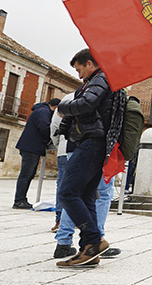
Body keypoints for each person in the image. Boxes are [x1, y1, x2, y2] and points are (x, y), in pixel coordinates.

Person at [55, 48, 119, 267]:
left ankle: (94, 240)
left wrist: (63, 108)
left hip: (92, 142)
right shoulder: (98, 80)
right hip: (96, 143)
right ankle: (89, 251)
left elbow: (86, 104)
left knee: (67, 192)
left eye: (79, 69)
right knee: (86, 195)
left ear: (90, 64)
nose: (78, 74)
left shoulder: (99, 79)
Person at [13, 98, 60, 209]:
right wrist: (56, 133)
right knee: (26, 174)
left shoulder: (42, 110)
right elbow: (44, 128)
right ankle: (19, 201)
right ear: (56, 107)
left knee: (28, 174)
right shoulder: (44, 111)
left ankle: (21, 199)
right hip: (31, 147)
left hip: (31, 147)